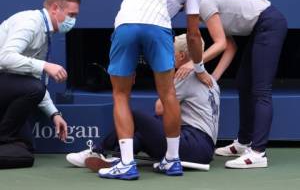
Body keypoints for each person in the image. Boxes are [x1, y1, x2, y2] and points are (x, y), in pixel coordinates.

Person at [99, 0, 216, 180]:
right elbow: (193, 35)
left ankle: (126, 163)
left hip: (124, 28)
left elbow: (130, 15)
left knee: (121, 94)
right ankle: (172, 161)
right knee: (168, 94)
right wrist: (199, 67)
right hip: (157, 29)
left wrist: (128, 62)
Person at [66, 34, 220, 171]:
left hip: (192, 144)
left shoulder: (186, 74)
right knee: (146, 130)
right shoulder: (211, 79)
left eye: (171, 51)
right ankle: (119, 157)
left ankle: (98, 150)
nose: (168, 55)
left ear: (181, 56)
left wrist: (168, 79)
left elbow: (160, 107)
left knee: (134, 116)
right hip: (203, 150)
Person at [176, 0, 287, 169]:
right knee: (244, 83)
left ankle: (258, 152)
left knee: (261, 90)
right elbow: (230, 46)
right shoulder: (201, 8)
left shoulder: (204, 3)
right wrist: (213, 79)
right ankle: (243, 142)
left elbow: (220, 44)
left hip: (270, 23)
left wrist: (194, 64)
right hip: (261, 26)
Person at [0, 0, 81, 162]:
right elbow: (5, 58)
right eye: (71, 15)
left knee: (25, 154)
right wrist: (45, 65)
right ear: (54, 8)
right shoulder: (30, 23)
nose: (73, 21)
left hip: (5, 85)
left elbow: (32, 81)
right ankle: (2, 138)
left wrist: (54, 114)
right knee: (35, 88)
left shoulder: (45, 31)